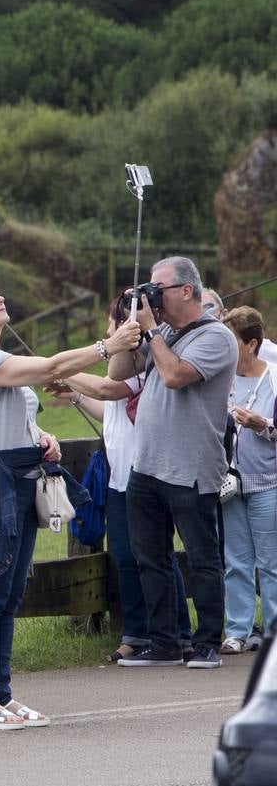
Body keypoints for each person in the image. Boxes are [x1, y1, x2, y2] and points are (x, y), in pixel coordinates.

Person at [0, 272, 139, 729]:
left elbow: (19, 414)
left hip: (23, 474)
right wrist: (109, 346)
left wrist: (43, 437)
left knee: (10, 595)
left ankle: (2, 695)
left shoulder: (0, 358)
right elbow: (50, 368)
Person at [47, 291, 193, 663]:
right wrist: (75, 396)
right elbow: (108, 407)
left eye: (114, 323)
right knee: (125, 557)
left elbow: (108, 386)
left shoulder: (144, 366)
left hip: (145, 474)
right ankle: (137, 631)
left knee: (156, 556)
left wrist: (61, 370)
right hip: (118, 478)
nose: (109, 329)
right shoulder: (130, 366)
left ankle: (178, 631)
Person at [109, 257, 237, 670]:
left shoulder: (216, 337)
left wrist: (149, 330)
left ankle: (207, 644)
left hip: (192, 466)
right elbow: (116, 375)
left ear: (186, 290)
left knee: (202, 559)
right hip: (146, 464)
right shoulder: (160, 331)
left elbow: (175, 376)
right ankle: (164, 642)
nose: (151, 295)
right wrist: (128, 331)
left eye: (157, 288)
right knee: (151, 558)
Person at [219, 307, 277, 654]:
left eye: (232, 340)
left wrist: (263, 425)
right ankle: (237, 631)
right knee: (235, 561)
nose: (224, 346)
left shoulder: (274, 379)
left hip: (267, 481)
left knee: (269, 562)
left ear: (252, 344)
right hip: (228, 484)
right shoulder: (221, 378)